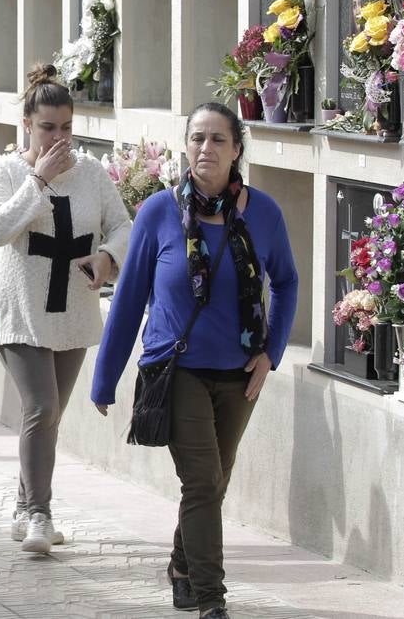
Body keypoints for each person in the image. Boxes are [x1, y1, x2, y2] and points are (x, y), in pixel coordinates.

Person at [91, 102, 298, 619]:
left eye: (217, 140)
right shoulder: (159, 213)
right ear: (186, 146)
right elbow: (130, 297)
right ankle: (211, 599)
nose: (205, 149)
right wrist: (104, 378)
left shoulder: (264, 214)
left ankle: (183, 564)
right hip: (176, 368)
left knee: (214, 483)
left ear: (237, 150)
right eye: (197, 139)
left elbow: (288, 281)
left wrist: (271, 351)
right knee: (203, 482)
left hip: (239, 373)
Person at [0, 64, 132, 554]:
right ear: (28, 123)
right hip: (19, 309)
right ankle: (41, 515)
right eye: (48, 126)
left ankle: (25, 507)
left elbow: (124, 227)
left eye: (66, 127)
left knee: (49, 415)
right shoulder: (3, 171)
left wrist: (107, 257)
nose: (58, 136)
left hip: (72, 309)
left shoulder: (91, 173)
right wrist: (38, 180)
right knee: (40, 408)